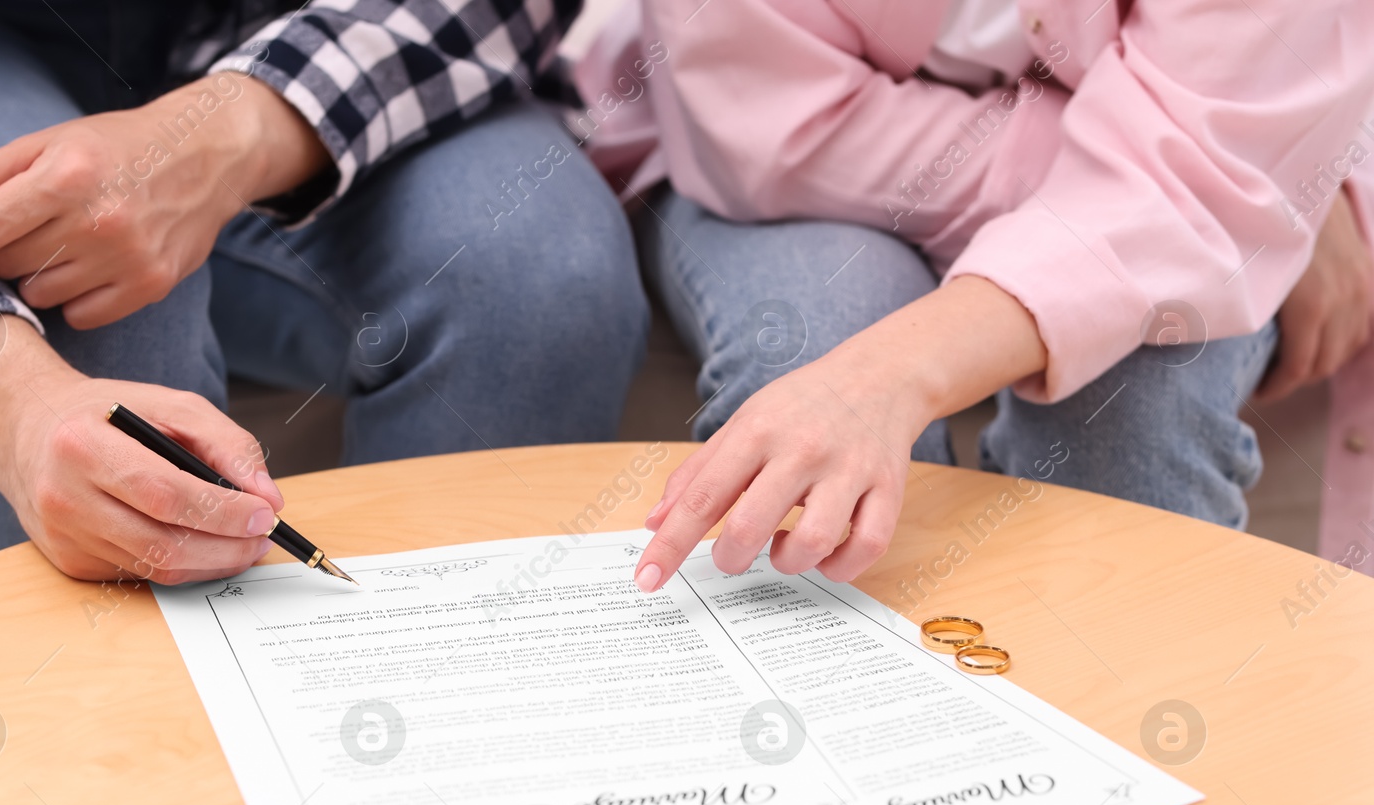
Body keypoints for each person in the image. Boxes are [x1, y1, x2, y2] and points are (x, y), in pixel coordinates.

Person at [0, 0, 649, 584]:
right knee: (60, 283)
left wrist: (237, 131)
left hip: (332, 30)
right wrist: (9, 403)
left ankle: (445, 767)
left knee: (542, 279)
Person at [570, 0, 1374, 594]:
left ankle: (1143, 776)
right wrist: (1223, 181)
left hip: (1194, 165)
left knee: (1138, 419)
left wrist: (1250, 177)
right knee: (811, 367)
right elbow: (779, 124)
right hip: (802, 181)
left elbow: (1205, 162)